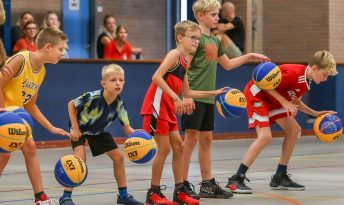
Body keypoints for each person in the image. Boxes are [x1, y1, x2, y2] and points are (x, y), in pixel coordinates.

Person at [181, 0, 269, 199]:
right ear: (201, 16)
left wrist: (250, 56)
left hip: (208, 98)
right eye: (213, 15)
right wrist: (184, 95)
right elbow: (182, 68)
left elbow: (227, 64)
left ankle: (206, 184)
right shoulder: (195, 39)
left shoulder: (215, 41)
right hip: (193, 97)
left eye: (217, 14)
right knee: (190, 140)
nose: (217, 18)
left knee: (206, 139)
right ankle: (182, 183)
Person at [226, 51, 338, 193]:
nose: (326, 79)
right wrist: (284, 102)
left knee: (294, 130)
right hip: (257, 96)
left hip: (272, 100)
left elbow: (296, 102)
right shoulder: (293, 73)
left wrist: (316, 114)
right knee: (265, 137)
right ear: (315, 68)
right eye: (325, 75)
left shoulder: (306, 81)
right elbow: (264, 84)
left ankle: (280, 175)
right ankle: (237, 178)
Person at [141, 20, 226, 205]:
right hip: (156, 105)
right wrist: (175, 98)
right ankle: (153, 194)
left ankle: (179, 191)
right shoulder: (174, 54)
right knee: (164, 149)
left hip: (169, 106)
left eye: (198, 38)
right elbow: (156, 77)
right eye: (193, 38)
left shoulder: (185, 61)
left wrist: (212, 93)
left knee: (178, 148)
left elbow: (187, 93)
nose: (196, 41)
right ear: (180, 38)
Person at [0, 27, 70, 205]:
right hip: (5, 114)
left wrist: (50, 127)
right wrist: (2, 113)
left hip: (16, 117)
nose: (63, 53)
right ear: (48, 47)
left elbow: (30, 104)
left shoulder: (42, 71)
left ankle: (40, 197)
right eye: (61, 49)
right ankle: (40, 196)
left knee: (30, 148)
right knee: (5, 154)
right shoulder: (21, 59)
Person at [59, 64, 144, 205]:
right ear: (103, 83)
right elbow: (71, 104)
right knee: (79, 161)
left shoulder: (119, 104)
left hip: (98, 132)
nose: (117, 83)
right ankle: (66, 197)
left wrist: (138, 134)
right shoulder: (92, 97)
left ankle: (123, 195)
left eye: (120, 80)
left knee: (118, 158)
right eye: (113, 80)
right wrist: (74, 128)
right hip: (79, 129)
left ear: (124, 82)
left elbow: (127, 128)